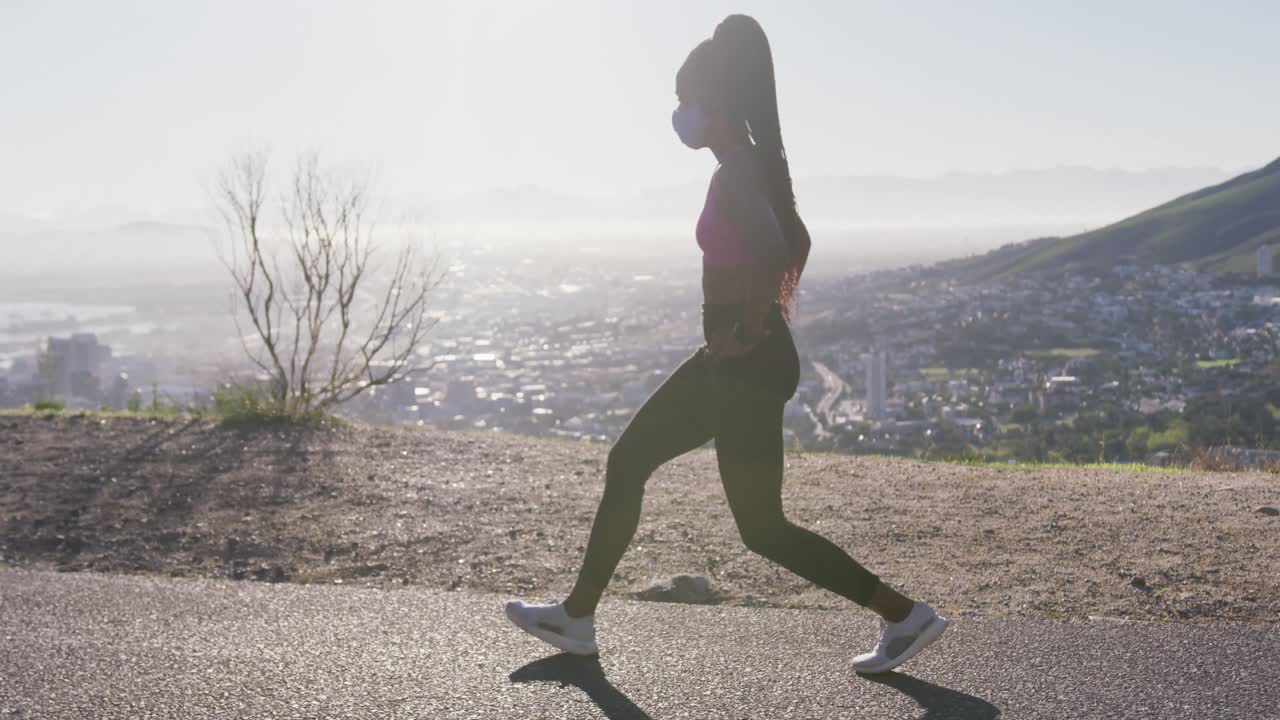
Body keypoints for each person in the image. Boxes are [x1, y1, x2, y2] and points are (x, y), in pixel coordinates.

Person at [505, 14, 946, 674]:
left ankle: (577, 618)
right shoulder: (753, 167)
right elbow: (790, 244)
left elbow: (772, 251)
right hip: (751, 365)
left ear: (715, 106)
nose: (679, 115)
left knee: (631, 463)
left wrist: (746, 330)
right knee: (761, 527)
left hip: (741, 366)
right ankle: (904, 615)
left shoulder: (736, 174)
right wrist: (752, 331)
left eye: (686, 102)